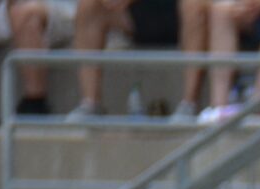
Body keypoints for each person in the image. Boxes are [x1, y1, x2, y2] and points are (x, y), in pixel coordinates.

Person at [64, 0, 221, 119]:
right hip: (140, 14)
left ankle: (189, 105)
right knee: (89, 6)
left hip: (190, 14)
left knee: (194, 4)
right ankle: (91, 104)